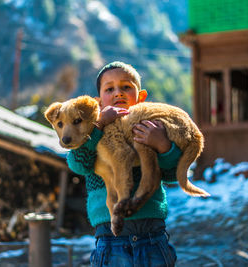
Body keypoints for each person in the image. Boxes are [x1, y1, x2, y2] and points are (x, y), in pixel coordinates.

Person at [66, 61, 181, 267]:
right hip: (110, 240)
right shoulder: (92, 134)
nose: (118, 93)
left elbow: (173, 174)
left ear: (141, 97)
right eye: (110, 89)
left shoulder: (150, 128)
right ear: (98, 101)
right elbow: (78, 164)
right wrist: (98, 125)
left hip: (152, 237)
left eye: (126, 87)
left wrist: (163, 145)